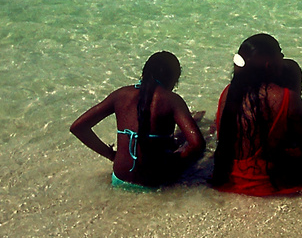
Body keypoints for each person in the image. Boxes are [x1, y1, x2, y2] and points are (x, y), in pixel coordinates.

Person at [70, 51, 205, 190]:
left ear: (143, 73)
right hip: (154, 182)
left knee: (171, 139)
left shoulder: (121, 94)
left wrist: (111, 155)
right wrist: (175, 161)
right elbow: (197, 144)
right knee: (195, 141)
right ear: (173, 79)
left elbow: (78, 127)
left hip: (120, 180)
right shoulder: (171, 100)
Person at [212, 33, 302, 196]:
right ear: (269, 65)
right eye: (281, 54)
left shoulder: (228, 93)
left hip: (229, 183)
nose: (282, 58)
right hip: (266, 186)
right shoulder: (286, 98)